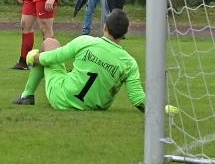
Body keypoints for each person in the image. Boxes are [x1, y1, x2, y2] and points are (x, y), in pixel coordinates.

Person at [12, 9, 145, 111]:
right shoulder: (129, 63)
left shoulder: (85, 41)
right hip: (96, 107)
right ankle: (28, 96)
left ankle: (27, 95)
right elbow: (138, 99)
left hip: (62, 99)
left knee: (49, 42)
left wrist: (34, 57)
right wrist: (159, 110)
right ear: (125, 32)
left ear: (105, 27)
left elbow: (53, 57)